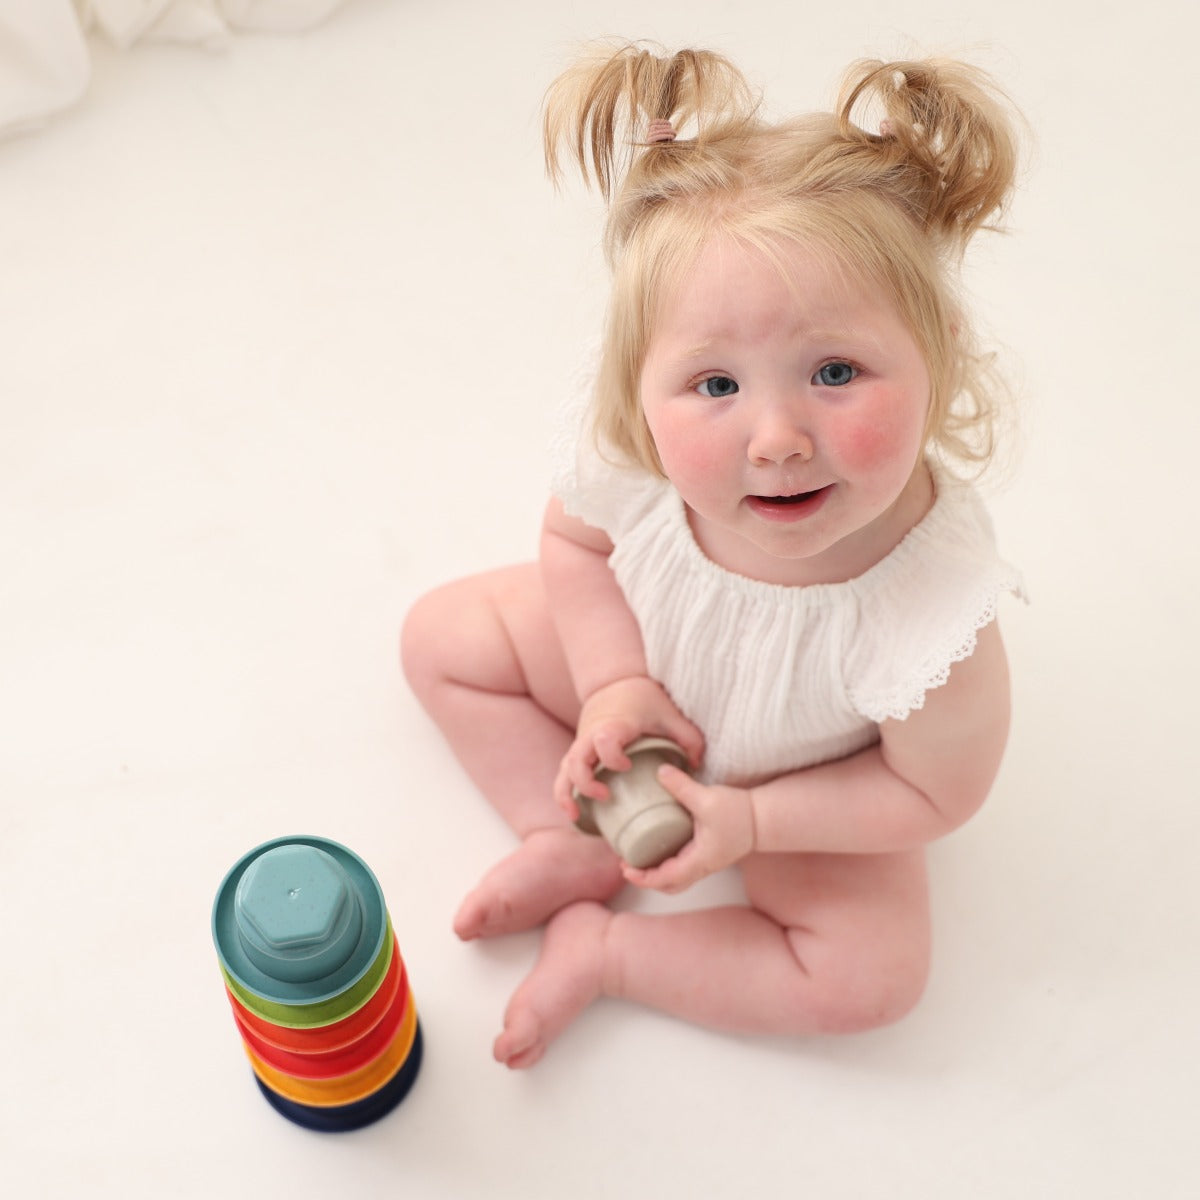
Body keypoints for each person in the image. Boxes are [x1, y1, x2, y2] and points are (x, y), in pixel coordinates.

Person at [402, 42, 1025, 1069]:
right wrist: (612, 686)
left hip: (801, 777)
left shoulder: (932, 604)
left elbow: (932, 795)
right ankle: (568, 837)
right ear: (637, 387)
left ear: (940, 349)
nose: (775, 439)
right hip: (645, 686)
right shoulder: (639, 461)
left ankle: (610, 954)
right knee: (444, 638)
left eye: (836, 371)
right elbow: (573, 545)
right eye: (717, 386)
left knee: (872, 977)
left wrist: (752, 822)